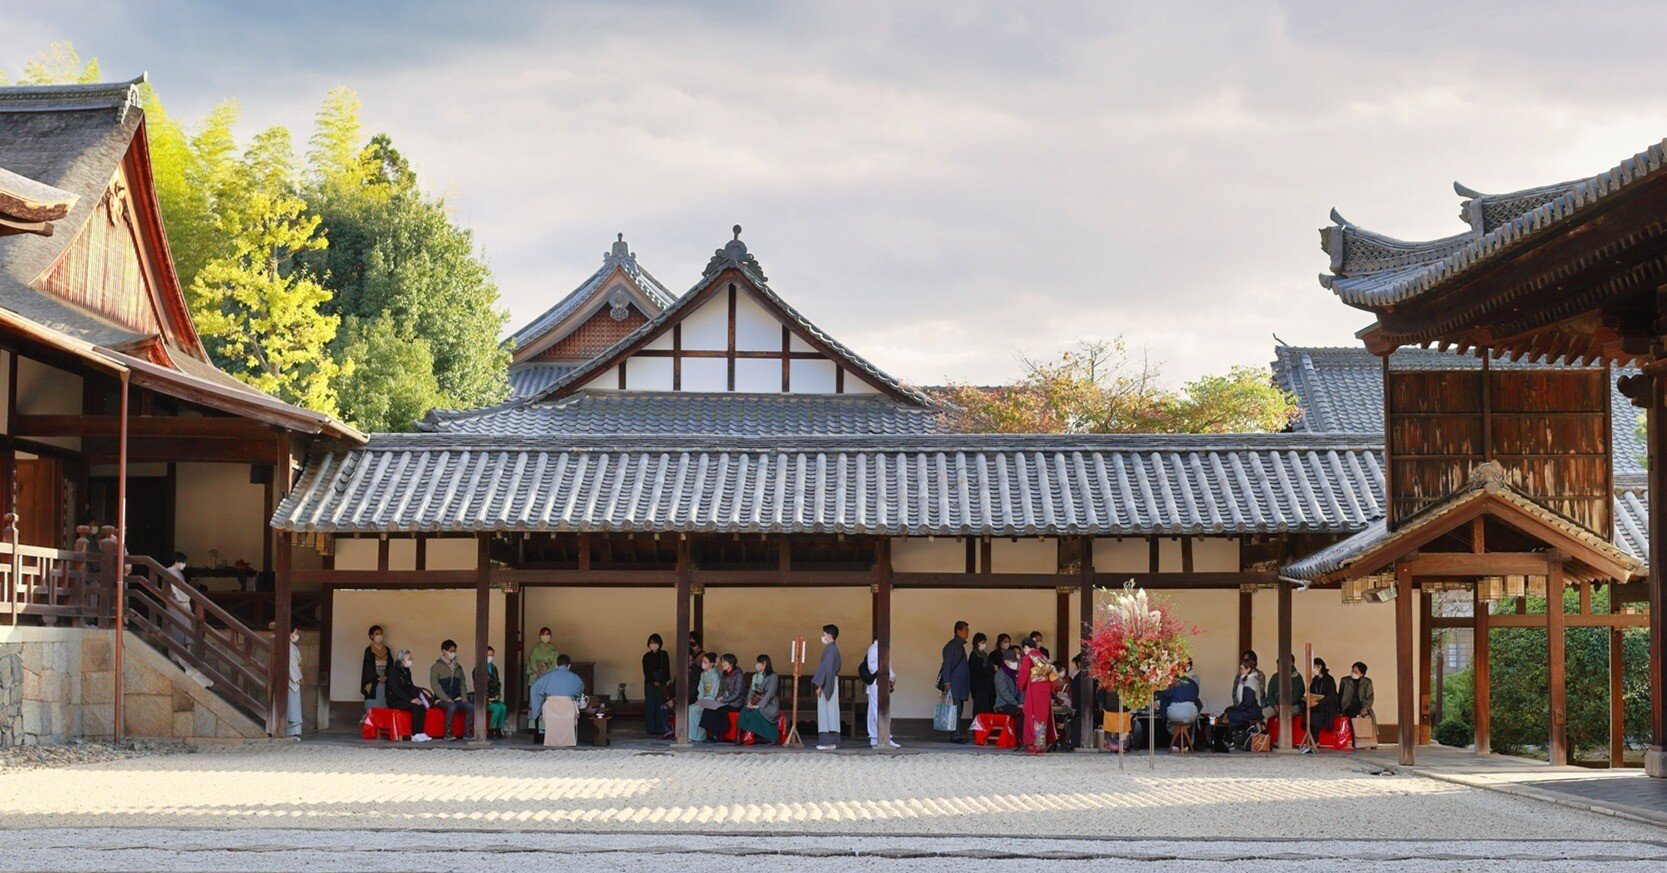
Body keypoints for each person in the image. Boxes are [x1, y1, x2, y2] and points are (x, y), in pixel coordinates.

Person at [527, 654, 586, 747]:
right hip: (567, 707)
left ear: (556, 665)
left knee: (552, 725)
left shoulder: (547, 676)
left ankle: (550, 743)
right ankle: (569, 743)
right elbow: (580, 690)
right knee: (568, 724)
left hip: (551, 707)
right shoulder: (575, 677)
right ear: (569, 665)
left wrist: (537, 706)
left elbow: (534, 688)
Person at [1016, 638, 1058, 754]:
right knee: (1042, 717)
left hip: (1033, 689)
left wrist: (1020, 686)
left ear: (1026, 647)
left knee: (1032, 715)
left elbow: (1023, 675)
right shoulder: (1043, 657)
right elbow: (1052, 674)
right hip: (1044, 690)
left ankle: (1033, 745)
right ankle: (1041, 745)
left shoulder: (1028, 657)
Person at [936, 620, 971, 743]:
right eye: (966, 630)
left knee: (958, 710)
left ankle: (956, 734)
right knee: (955, 710)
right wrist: (947, 683)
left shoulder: (959, 646)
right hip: (954, 685)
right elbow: (947, 666)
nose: (968, 633)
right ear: (958, 631)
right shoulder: (952, 646)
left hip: (959, 685)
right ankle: (955, 735)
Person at [386, 648, 432, 742]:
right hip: (395, 699)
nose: (411, 660)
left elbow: (410, 686)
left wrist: (416, 698)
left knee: (421, 706)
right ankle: (415, 734)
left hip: (406, 699)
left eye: (411, 658)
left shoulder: (406, 670)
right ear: (402, 660)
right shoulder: (393, 671)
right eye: (409, 658)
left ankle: (420, 733)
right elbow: (396, 690)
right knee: (415, 706)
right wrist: (410, 700)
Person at [429, 640, 469, 741]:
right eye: (451, 651)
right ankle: (448, 732)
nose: (453, 653)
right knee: (452, 706)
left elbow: (462, 683)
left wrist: (464, 696)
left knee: (470, 706)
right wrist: (445, 698)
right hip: (440, 699)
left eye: (454, 651)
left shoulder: (458, 667)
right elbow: (435, 685)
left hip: (455, 698)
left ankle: (467, 732)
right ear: (443, 651)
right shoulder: (436, 667)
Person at [1158, 659, 1202, 751]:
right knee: (1187, 721)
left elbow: (1165, 694)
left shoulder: (1174, 683)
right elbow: (1195, 697)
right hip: (1190, 713)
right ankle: (1184, 745)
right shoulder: (1193, 684)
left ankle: (1177, 744)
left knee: (1170, 707)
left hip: (1175, 712)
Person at [700, 654, 746, 742]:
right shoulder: (724, 674)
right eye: (722, 662)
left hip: (736, 702)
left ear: (731, 663)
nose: (722, 664)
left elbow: (737, 693)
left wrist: (724, 700)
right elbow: (720, 689)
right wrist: (717, 698)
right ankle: (710, 734)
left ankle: (717, 735)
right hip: (724, 701)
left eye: (724, 662)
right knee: (708, 709)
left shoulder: (738, 675)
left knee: (719, 711)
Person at [737, 654, 781, 744]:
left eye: (758, 663)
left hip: (769, 704)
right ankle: (739, 735)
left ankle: (771, 737)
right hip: (756, 701)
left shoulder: (773, 676)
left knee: (757, 712)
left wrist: (759, 706)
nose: (756, 664)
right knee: (744, 710)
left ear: (764, 663)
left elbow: (770, 694)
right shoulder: (755, 676)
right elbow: (751, 692)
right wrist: (749, 702)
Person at [864, 638, 899, 749]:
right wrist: (891, 676)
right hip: (877, 683)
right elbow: (879, 667)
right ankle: (885, 736)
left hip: (876, 683)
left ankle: (875, 737)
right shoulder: (876, 649)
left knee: (873, 709)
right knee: (878, 708)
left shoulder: (876, 648)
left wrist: (891, 676)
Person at [812, 624, 842, 750]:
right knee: (831, 712)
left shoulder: (831, 650)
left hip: (827, 683)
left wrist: (820, 685)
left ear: (829, 635)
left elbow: (827, 670)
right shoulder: (833, 649)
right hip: (830, 681)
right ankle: (831, 742)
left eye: (824, 634)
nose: (823, 637)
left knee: (828, 712)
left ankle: (828, 742)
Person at [642, 634, 672, 739]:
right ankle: (651, 728)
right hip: (650, 683)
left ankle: (661, 728)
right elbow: (646, 671)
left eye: (655, 642)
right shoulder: (646, 656)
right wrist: (653, 680)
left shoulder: (664, 654)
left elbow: (667, 670)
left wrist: (660, 680)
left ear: (659, 644)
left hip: (661, 682)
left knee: (660, 704)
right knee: (650, 704)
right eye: (651, 642)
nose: (653, 645)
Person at [687, 652, 719, 742]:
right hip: (703, 699)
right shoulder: (702, 674)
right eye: (703, 661)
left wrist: (703, 700)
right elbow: (700, 688)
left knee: (693, 709)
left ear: (711, 663)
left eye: (705, 662)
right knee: (691, 708)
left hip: (711, 700)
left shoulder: (715, 675)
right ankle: (695, 735)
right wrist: (700, 698)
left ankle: (697, 736)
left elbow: (714, 692)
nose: (703, 663)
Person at [1223, 661, 1262, 732]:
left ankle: (1232, 738)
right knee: (1228, 711)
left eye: (1242, 669)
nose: (1240, 671)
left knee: (1231, 715)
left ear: (1248, 669)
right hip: (1249, 709)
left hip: (1253, 711)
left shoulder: (1251, 681)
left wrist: (1239, 709)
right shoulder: (1246, 679)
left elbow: (1248, 701)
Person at [1307, 657, 1340, 736]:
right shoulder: (1314, 679)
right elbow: (1311, 692)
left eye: (1314, 667)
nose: (1312, 669)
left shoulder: (1329, 679)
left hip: (1327, 706)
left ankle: (1315, 740)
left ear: (1320, 666)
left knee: (1315, 716)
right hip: (1316, 704)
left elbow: (1331, 696)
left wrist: (1318, 702)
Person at [361, 625, 391, 712]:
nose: (379, 635)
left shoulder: (387, 650)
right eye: (377, 634)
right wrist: (377, 677)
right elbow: (368, 667)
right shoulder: (369, 650)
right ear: (371, 636)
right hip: (373, 678)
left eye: (381, 633)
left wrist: (386, 675)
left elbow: (390, 665)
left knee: (385, 699)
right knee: (373, 699)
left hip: (385, 678)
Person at [969, 632, 996, 714]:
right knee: (979, 708)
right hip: (978, 686)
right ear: (977, 643)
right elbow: (977, 671)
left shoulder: (984, 655)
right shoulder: (974, 655)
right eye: (982, 642)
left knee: (985, 708)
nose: (984, 644)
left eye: (985, 642)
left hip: (986, 686)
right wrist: (991, 669)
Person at [992, 647, 1023, 717]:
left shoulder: (1015, 672)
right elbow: (1004, 692)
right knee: (1019, 713)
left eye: (1015, 661)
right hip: (1003, 704)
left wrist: (1022, 702)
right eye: (1012, 661)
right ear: (1005, 661)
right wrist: (1017, 704)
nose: (1015, 663)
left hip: (1015, 702)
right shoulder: (1000, 673)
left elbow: (1020, 689)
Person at [485, 646, 508, 739]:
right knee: (497, 709)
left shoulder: (494, 668)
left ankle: (498, 730)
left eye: (492, 655)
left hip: (494, 698)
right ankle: (490, 731)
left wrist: (498, 695)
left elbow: (498, 683)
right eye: (489, 655)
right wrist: (487, 698)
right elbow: (478, 685)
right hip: (484, 700)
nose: (491, 657)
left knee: (503, 707)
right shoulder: (479, 668)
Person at [286, 627, 303, 738]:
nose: (296, 635)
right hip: (291, 679)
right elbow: (291, 665)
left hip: (294, 678)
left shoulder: (293, 647)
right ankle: (291, 731)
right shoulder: (289, 648)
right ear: (289, 633)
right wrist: (298, 678)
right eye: (295, 632)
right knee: (291, 705)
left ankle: (294, 731)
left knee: (294, 704)